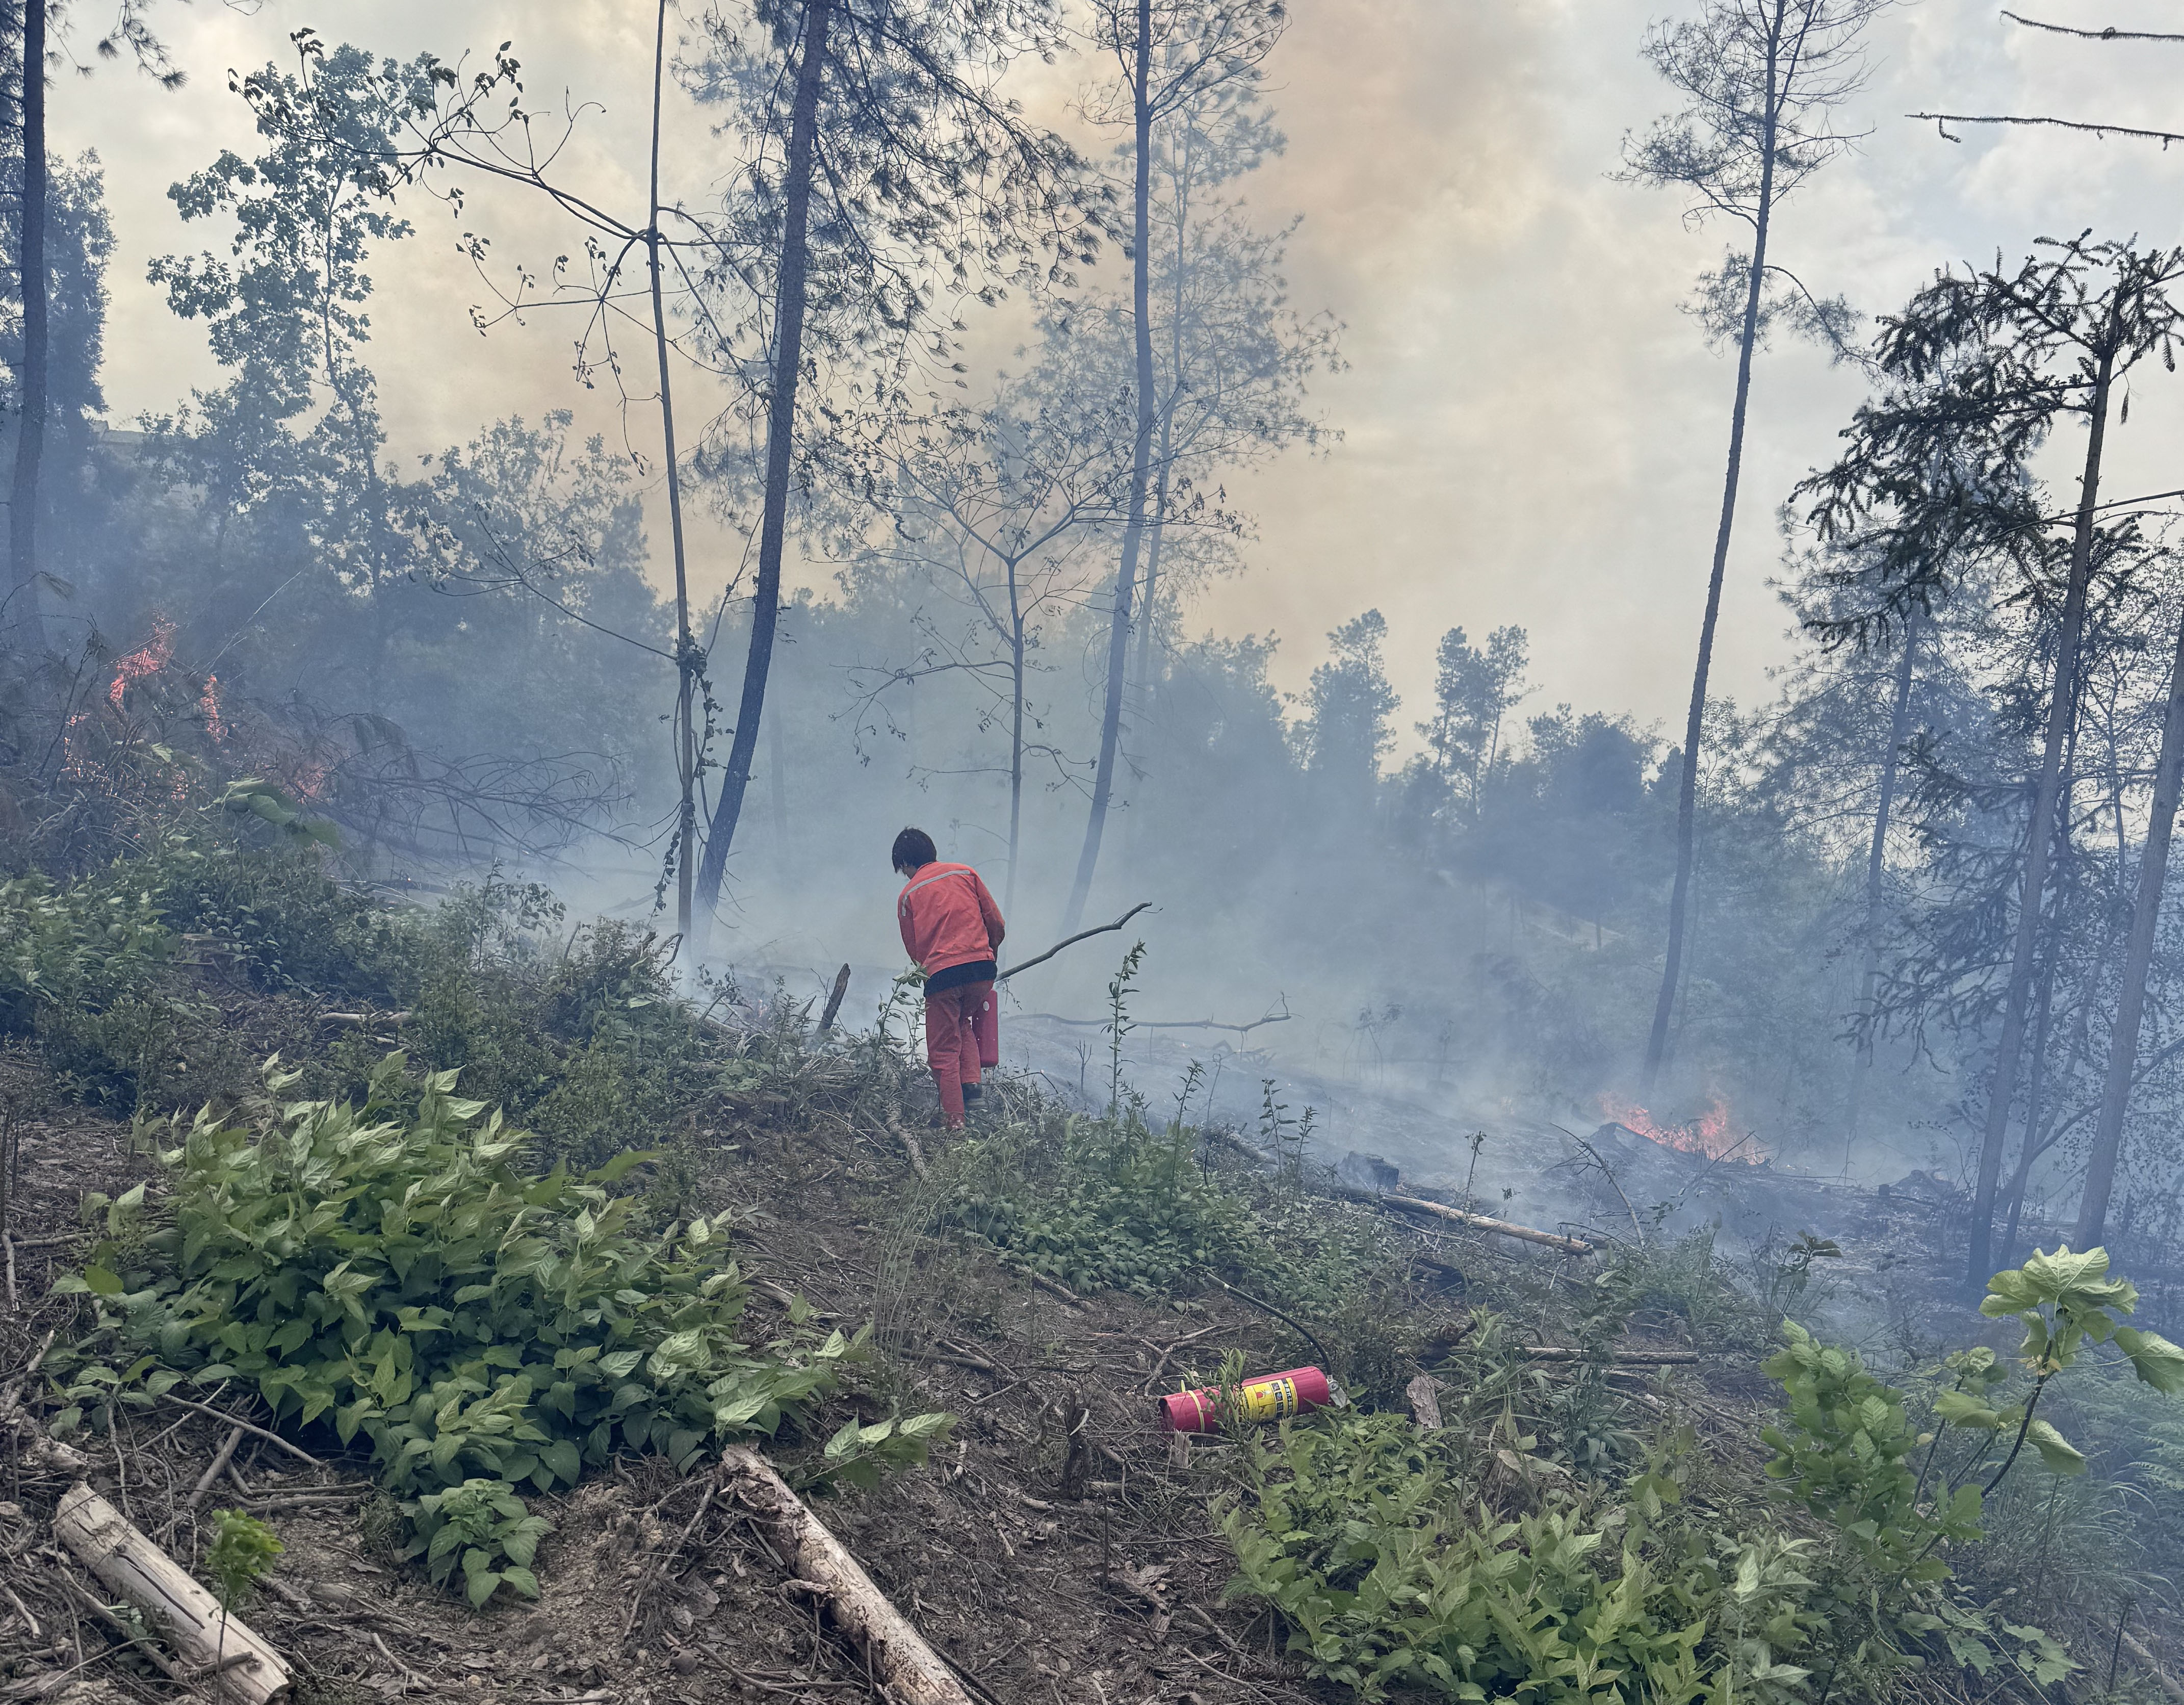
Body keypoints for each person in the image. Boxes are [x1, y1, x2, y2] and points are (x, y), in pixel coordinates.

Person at [892, 827, 1004, 1129]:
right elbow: (996, 922)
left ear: (905, 863)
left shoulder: (908, 895)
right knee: (961, 1021)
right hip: (983, 970)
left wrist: (934, 970)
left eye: (903, 869)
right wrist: (987, 954)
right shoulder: (965, 873)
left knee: (942, 1052)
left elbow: (915, 952)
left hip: (943, 977)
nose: (905, 875)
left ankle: (954, 1123)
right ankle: (972, 1088)